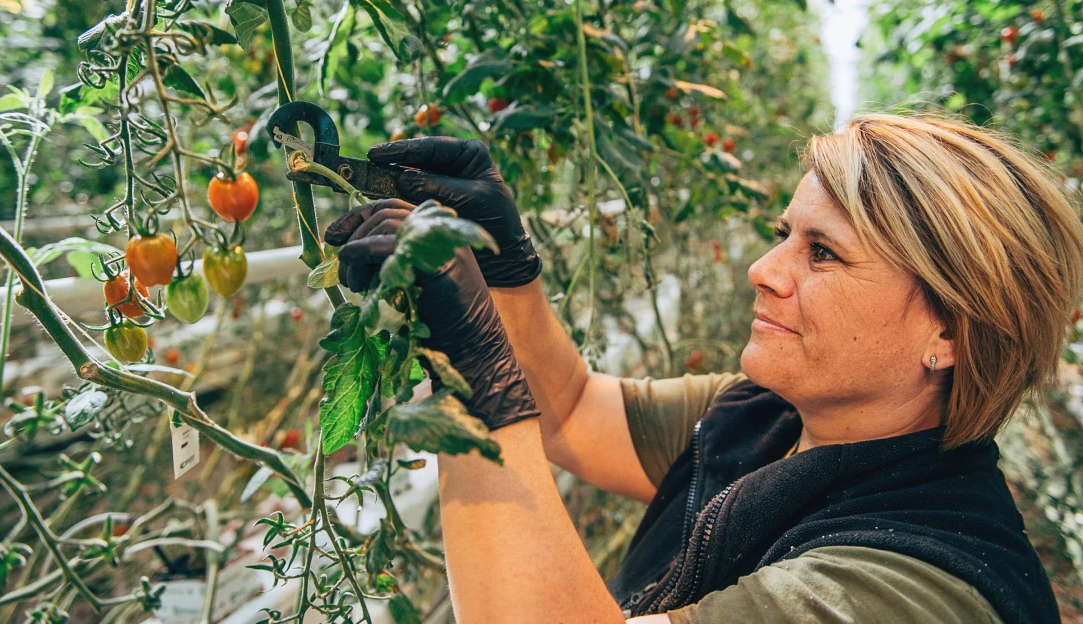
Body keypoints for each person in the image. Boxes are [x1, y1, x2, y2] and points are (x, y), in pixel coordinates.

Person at [323, 113, 1083, 624]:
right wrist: (508, 273)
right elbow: (576, 413)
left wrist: (472, 384)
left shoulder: (910, 586)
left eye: (823, 253)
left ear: (948, 330)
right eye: (783, 233)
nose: (762, 268)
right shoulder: (767, 416)